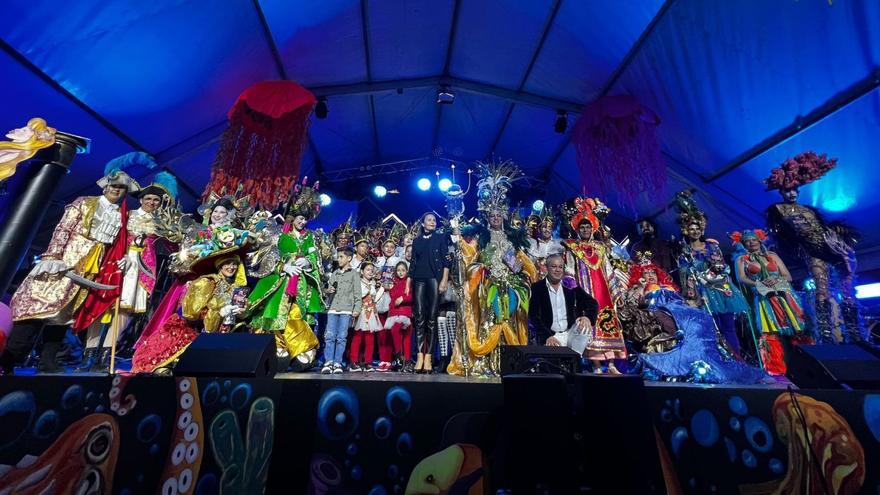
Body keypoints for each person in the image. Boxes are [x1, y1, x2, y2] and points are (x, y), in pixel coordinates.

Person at [1, 154, 141, 374]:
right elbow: (64, 229)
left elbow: (118, 243)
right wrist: (53, 256)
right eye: (113, 186)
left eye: (121, 189)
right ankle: (9, 361)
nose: (116, 190)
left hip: (90, 270)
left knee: (63, 317)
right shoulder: (84, 203)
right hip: (64, 264)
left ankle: (47, 361)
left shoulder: (122, 216)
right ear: (105, 187)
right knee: (37, 309)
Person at [80, 168, 177, 371]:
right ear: (141, 199)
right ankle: (88, 355)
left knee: (126, 310)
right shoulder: (126, 215)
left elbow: (171, 246)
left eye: (156, 201)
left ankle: (106, 356)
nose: (152, 203)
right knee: (102, 306)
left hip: (142, 268)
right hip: (118, 262)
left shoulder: (161, 223)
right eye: (148, 198)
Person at [449, 160, 537, 376]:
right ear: (487, 217)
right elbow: (472, 256)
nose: (496, 218)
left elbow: (518, 263)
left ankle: (507, 364)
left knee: (508, 322)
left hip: (509, 285)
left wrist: (517, 275)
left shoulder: (510, 238)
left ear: (504, 216)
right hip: (488, 286)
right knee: (490, 321)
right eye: (492, 215)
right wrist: (458, 240)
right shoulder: (481, 236)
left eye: (499, 215)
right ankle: (487, 363)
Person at [764, 151, 863, 343]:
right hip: (812, 249)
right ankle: (825, 331)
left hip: (830, 246)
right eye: (788, 190)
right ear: (781, 191)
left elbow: (822, 226)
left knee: (848, 284)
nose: (792, 193)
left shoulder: (809, 209)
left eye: (795, 189)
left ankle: (855, 331)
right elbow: (782, 233)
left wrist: (836, 235)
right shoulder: (777, 209)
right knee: (822, 286)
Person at [246, 178, 323, 371]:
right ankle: (279, 347)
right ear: (293, 216)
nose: (302, 221)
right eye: (299, 218)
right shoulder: (280, 234)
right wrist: (284, 266)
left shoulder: (310, 237)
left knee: (297, 314)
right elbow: (269, 255)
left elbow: (317, 259)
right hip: (280, 280)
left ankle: (301, 347)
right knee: (277, 314)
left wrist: (308, 261)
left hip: (301, 281)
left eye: (305, 219)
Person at [131, 248, 248, 373]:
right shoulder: (206, 282)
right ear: (219, 265)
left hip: (220, 332)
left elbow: (241, 313)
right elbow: (191, 314)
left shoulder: (236, 288)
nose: (232, 267)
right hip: (189, 330)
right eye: (227, 263)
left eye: (234, 263)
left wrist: (241, 311)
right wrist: (219, 313)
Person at [674, 191, 749, 354]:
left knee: (728, 326)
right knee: (709, 328)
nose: (694, 231)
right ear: (686, 230)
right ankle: (716, 359)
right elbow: (684, 274)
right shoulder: (684, 252)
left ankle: (735, 357)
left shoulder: (712, 246)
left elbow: (722, 267)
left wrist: (711, 267)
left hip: (719, 289)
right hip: (701, 293)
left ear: (702, 230)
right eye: (691, 229)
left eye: (697, 228)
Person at [561, 197, 627, 374]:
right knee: (590, 325)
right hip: (586, 292)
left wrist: (617, 293)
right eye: (581, 227)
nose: (585, 229)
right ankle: (596, 365)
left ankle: (611, 364)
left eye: (588, 226)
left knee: (608, 325)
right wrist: (573, 292)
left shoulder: (600, 247)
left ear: (593, 228)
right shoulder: (572, 248)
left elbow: (609, 270)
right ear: (577, 229)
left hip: (603, 292)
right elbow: (569, 271)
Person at [732, 229, 809, 375]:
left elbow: (788, 276)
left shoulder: (772, 255)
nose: (751, 242)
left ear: (759, 240)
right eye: (747, 241)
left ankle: (806, 364)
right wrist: (759, 284)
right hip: (764, 297)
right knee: (770, 330)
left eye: (753, 239)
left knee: (798, 328)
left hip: (784, 295)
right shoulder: (742, 259)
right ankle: (775, 369)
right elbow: (741, 278)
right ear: (743, 244)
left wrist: (776, 279)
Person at [409, 212, 452, 373]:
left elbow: (446, 260)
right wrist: (408, 283)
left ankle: (429, 357)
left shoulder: (440, 238)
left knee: (432, 319)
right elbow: (413, 262)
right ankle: (420, 356)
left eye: (434, 220)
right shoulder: (417, 241)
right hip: (418, 279)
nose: (433, 222)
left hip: (434, 279)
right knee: (419, 318)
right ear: (423, 223)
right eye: (429, 220)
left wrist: (444, 280)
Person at [528, 254, 598, 349]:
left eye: (560, 267)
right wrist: (547, 336)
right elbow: (534, 316)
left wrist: (588, 318)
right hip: (551, 335)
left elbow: (592, 303)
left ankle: (576, 358)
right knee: (555, 359)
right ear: (547, 268)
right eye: (554, 267)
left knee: (584, 327)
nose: (558, 270)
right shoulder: (537, 288)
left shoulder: (570, 285)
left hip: (570, 333)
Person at [321, 248, 362, 374]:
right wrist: (328, 291)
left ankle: (338, 362)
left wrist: (357, 309)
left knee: (341, 337)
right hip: (333, 308)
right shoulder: (335, 273)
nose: (338, 259)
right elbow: (328, 290)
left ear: (349, 258)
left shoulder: (354, 274)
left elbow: (357, 293)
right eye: (338, 257)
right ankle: (329, 362)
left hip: (346, 309)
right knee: (330, 336)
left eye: (341, 257)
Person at [349, 262, 384, 372]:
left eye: (372, 270)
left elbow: (374, 298)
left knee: (370, 338)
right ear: (362, 271)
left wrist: (382, 288)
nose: (370, 272)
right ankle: (354, 361)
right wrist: (370, 287)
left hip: (371, 312)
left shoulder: (372, 284)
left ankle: (367, 362)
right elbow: (360, 295)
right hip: (361, 312)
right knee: (357, 337)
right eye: (368, 270)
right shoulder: (359, 283)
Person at [385, 261, 413, 372]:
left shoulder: (409, 282)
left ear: (407, 271)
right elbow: (392, 298)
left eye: (403, 270)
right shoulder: (394, 282)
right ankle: (399, 357)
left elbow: (413, 295)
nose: (401, 273)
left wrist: (403, 298)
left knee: (406, 338)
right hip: (394, 313)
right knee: (396, 333)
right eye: (398, 270)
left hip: (405, 313)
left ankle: (406, 360)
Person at [526, 206, 563, 279]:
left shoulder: (559, 246)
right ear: (539, 229)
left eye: (549, 228)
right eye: (544, 227)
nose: (547, 230)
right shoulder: (532, 244)